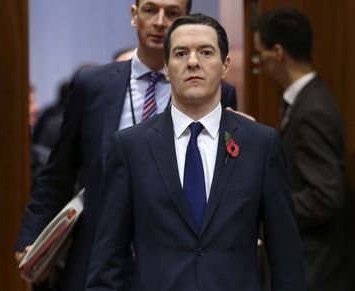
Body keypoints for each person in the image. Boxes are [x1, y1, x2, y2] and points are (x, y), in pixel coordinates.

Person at [15, 1, 237, 291]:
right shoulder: (91, 85)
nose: (159, 22)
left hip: (177, 263)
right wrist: (31, 235)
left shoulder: (216, 91)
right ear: (134, 15)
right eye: (150, 10)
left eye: (172, 13)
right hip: (99, 257)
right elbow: (59, 172)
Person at [86, 13, 306, 291]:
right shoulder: (131, 147)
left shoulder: (260, 144)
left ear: (225, 65)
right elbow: (108, 261)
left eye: (205, 52)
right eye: (180, 53)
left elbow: (286, 258)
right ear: (166, 68)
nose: (193, 62)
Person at [254, 8, 350, 291]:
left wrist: (267, 208)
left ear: (279, 52)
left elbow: (325, 196)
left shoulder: (313, 109)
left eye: (260, 54)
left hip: (316, 266)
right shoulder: (302, 101)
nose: (259, 64)